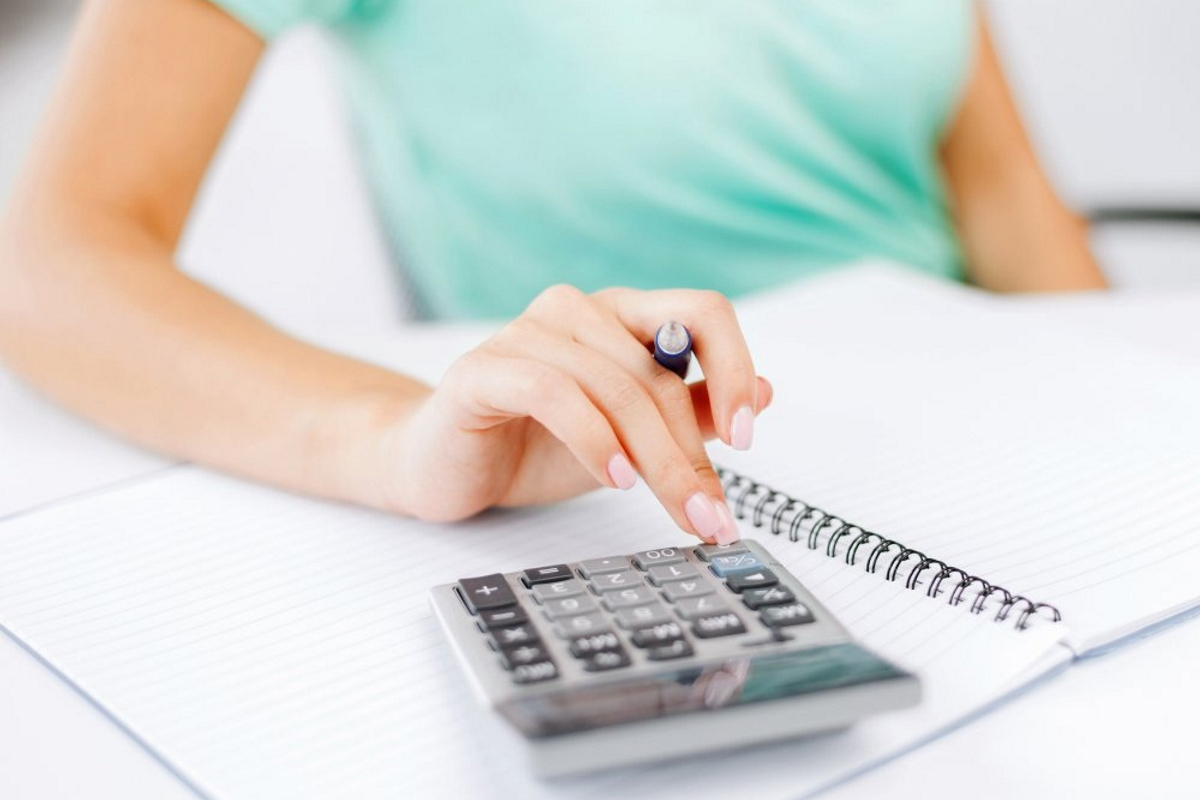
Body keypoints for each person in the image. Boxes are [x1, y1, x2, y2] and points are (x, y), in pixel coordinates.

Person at [0, 1, 1105, 545]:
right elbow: (47, 263)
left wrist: (1138, 427)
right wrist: (391, 438)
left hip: (972, 466)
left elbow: (1011, 206)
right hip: (657, 510)